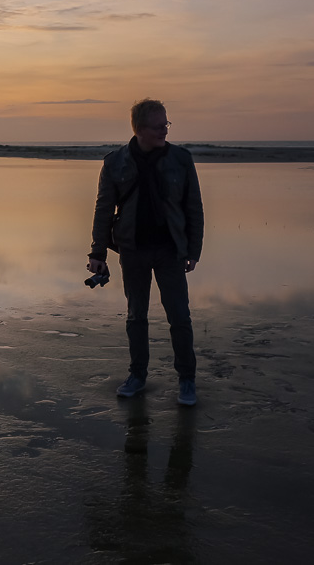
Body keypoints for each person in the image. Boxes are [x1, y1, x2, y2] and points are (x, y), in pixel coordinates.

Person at [88, 99, 204, 405]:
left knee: (179, 316)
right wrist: (97, 253)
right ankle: (137, 376)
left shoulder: (181, 159)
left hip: (171, 252)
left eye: (167, 124)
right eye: (158, 125)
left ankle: (187, 380)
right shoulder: (115, 162)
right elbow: (103, 208)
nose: (165, 130)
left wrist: (194, 250)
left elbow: (194, 207)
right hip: (133, 250)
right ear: (139, 129)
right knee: (136, 316)